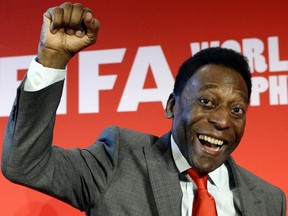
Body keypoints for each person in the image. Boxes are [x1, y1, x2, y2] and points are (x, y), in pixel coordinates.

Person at [1, 2, 286, 216]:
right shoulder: (117, 159)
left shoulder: (270, 201)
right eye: (207, 102)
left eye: (237, 110)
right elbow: (24, 164)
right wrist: (52, 58)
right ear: (172, 106)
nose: (223, 120)